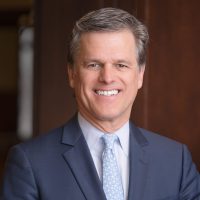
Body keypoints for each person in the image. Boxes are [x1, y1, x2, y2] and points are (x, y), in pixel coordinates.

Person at [1, 7, 200, 200]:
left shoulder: (176, 161)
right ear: (72, 74)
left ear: (140, 74)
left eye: (120, 65)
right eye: (94, 64)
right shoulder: (30, 162)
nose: (107, 77)